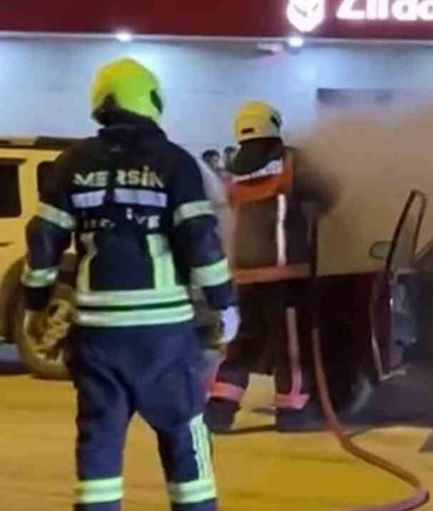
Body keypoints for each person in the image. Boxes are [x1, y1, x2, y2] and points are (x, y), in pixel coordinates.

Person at [20, 58, 239, 511]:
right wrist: (224, 303)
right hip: (163, 336)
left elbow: (43, 240)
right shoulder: (174, 162)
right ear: (151, 100)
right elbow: (200, 238)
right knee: (184, 439)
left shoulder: (73, 162)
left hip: (97, 335)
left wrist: (36, 302)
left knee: (99, 444)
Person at [205, 101, 337, 433]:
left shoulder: (233, 166)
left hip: (245, 274)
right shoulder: (291, 161)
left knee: (243, 344)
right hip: (285, 274)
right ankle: (293, 412)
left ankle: (219, 410)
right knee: (290, 347)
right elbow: (329, 195)